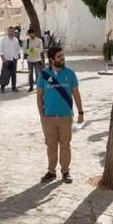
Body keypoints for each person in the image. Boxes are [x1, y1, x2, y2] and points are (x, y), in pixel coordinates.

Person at [37, 46, 84, 184]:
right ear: (51, 59)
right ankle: (51, 171)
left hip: (65, 116)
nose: (62, 58)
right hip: (48, 117)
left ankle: (65, 171)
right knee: (51, 145)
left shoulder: (70, 73)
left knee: (65, 145)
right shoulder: (44, 75)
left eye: (62, 56)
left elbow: (76, 93)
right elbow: (39, 95)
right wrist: (42, 115)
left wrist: (80, 112)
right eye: (59, 56)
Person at [0, 27, 22, 93]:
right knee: (5, 74)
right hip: (6, 59)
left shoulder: (16, 39)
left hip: (14, 59)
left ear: (14, 32)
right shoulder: (3, 40)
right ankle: (2, 88)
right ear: (8, 31)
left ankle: (13, 87)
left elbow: (18, 48)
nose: (11, 32)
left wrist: (19, 55)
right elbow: (1, 51)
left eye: (13, 31)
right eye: (10, 31)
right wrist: (3, 59)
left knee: (14, 74)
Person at [25, 28, 45, 92]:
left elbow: (41, 50)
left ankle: (38, 87)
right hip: (29, 59)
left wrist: (34, 49)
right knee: (30, 73)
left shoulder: (39, 40)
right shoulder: (27, 41)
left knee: (38, 74)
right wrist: (28, 51)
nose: (31, 36)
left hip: (37, 59)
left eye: (32, 34)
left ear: (34, 34)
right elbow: (24, 49)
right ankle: (31, 87)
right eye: (29, 35)